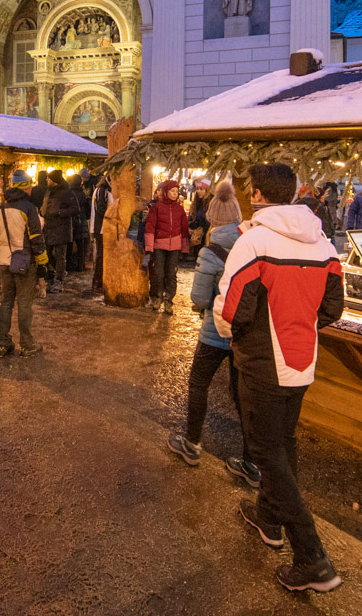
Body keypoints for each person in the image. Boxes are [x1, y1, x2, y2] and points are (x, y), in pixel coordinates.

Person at [216, 163, 345, 593]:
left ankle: (311, 556)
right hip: (301, 360)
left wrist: (243, 339)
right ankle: (268, 518)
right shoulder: (323, 243)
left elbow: (232, 308)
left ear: (256, 194)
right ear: (292, 194)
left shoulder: (253, 242)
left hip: (260, 363)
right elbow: (332, 309)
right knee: (283, 443)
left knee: (266, 450)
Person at [168, 180, 260, 486]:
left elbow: (197, 298)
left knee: (198, 384)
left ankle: (192, 444)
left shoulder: (212, 250)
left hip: (213, 332)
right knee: (242, 396)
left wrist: (204, 306)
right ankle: (251, 462)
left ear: (212, 218)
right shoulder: (254, 246)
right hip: (243, 334)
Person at [0, 169, 46, 356]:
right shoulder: (29, 208)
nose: (31, 189)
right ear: (25, 187)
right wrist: (42, 263)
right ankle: (27, 344)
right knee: (24, 303)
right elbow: (36, 238)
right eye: (30, 186)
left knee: (6, 301)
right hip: (23, 261)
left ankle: (4, 342)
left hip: (3, 260)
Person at [144, 179, 190, 314]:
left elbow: (184, 229)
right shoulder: (156, 208)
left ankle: (169, 301)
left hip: (174, 246)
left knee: (171, 274)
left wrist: (185, 247)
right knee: (158, 273)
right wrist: (149, 247)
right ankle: (157, 298)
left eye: (177, 191)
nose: (175, 194)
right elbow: (150, 227)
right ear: (166, 192)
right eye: (172, 191)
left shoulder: (180, 209)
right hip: (159, 245)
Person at [42, 168, 81, 292]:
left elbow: (75, 209)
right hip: (48, 227)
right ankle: (52, 275)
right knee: (47, 254)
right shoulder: (48, 191)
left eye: (49, 178)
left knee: (60, 256)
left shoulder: (67, 193)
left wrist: (59, 212)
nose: (47, 179)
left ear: (55, 181)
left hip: (61, 229)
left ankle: (59, 280)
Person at [90, 174, 112, 291]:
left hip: (106, 228)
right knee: (101, 255)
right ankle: (97, 282)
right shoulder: (101, 191)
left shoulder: (107, 191)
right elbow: (101, 209)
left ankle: (102, 280)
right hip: (101, 228)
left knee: (104, 255)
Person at [69, 172, 91, 273]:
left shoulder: (69, 193)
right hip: (82, 222)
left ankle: (69, 265)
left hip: (72, 222)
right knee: (81, 246)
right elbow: (87, 209)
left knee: (70, 244)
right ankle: (81, 266)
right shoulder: (83, 194)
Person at [189, 179, 212, 258]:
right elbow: (192, 217)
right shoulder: (196, 202)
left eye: (201, 189)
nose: (198, 191)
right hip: (198, 237)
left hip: (208, 235)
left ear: (207, 190)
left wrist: (201, 222)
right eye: (197, 189)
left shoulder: (211, 202)